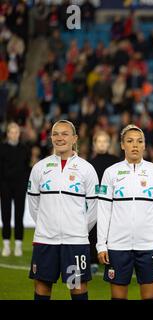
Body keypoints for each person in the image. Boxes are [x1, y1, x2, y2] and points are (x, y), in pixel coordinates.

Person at [96, 125, 153, 300]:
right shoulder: (110, 173)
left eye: (139, 141)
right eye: (129, 141)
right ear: (122, 145)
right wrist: (101, 244)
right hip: (117, 245)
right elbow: (104, 210)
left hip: (148, 245)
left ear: (144, 145)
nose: (135, 145)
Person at [27, 120, 98, 300]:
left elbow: (95, 207)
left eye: (65, 134)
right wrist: (46, 225)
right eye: (56, 134)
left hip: (75, 241)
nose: (60, 138)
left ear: (74, 138)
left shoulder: (86, 169)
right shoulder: (39, 168)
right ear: (51, 138)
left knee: (77, 287)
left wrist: (80, 228)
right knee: (42, 286)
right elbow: (34, 204)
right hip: (45, 241)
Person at [88, 131, 120, 274]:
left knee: (112, 231)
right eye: (99, 141)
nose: (102, 144)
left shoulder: (116, 161)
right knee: (93, 230)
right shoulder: (89, 163)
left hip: (113, 201)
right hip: (95, 201)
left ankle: (113, 260)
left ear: (109, 144)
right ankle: (93, 260)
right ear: (94, 144)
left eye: (104, 141)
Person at [0, 122, 31, 257]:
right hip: (5, 186)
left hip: (19, 186)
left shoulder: (24, 148)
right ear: (8, 134)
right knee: (5, 216)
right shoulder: (2, 148)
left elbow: (26, 168)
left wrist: (24, 183)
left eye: (16, 132)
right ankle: (6, 245)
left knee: (19, 216)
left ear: (19, 133)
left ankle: (18, 245)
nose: (14, 134)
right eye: (11, 132)